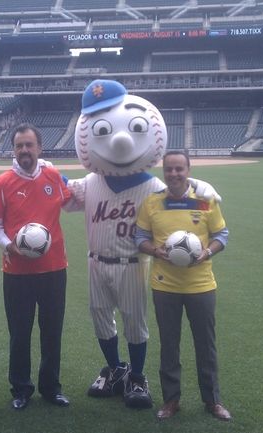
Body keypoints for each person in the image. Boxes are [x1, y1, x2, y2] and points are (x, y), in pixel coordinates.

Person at [66, 79, 221, 409]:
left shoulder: (153, 187)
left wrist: (199, 185)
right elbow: (61, 191)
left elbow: (178, 189)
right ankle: (116, 369)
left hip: (133, 264)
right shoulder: (91, 182)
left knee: (135, 323)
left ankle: (137, 375)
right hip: (95, 261)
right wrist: (41, 170)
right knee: (99, 318)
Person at [135, 150, 233, 421]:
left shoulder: (205, 201)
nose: (174, 174)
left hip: (201, 285)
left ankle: (212, 401)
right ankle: (171, 401)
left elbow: (221, 234)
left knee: (206, 344)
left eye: (179, 169)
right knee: (169, 345)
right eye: (169, 169)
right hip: (165, 286)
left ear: (188, 170)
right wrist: (155, 251)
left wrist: (207, 252)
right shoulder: (153, 203)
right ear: (163, 172)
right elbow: (140, 237)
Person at [0, 123, 73, 410]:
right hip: (17, 273)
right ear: (14, 150)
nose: (24, 150)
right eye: (19, 145)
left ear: (39, 148)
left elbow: (73, 198)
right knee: (19, 333)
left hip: (54, 269)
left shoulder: (52, 175)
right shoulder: (3, 182)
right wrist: (9, 244)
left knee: (52, 332)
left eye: (29, 145)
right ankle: (21, 389)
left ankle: (51, 388)